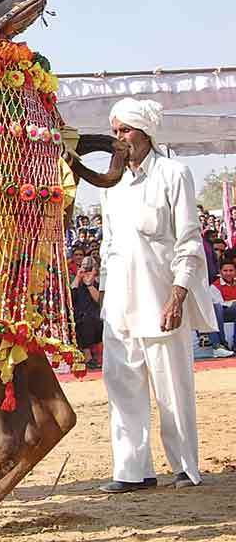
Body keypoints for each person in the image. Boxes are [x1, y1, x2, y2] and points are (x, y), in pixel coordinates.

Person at [97, 98, 217, 493]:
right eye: (115, 131)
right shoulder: (110, 183)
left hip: (161, 301)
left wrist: (178, 296)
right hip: (119, 305)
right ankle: (132, 471)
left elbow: (188, 241)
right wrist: (103, 294)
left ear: (145, 132)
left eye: (126, 131)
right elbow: (108, 245)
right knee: (122, 388)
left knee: (172, 389)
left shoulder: (173, 173)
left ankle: (185, 467)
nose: (119, 139)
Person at [71, 258, 104, 367]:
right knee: (84, 320)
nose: (87, 269)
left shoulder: (99, 282)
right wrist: (78, 277)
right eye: (84, 266)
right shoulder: (77, 281)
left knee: (93, 320)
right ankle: (88, 356)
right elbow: (70, 298)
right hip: (82, 317)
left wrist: (89, 284)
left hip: (98, 316)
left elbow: (99, 301)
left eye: (90, 266)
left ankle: (96, 357)